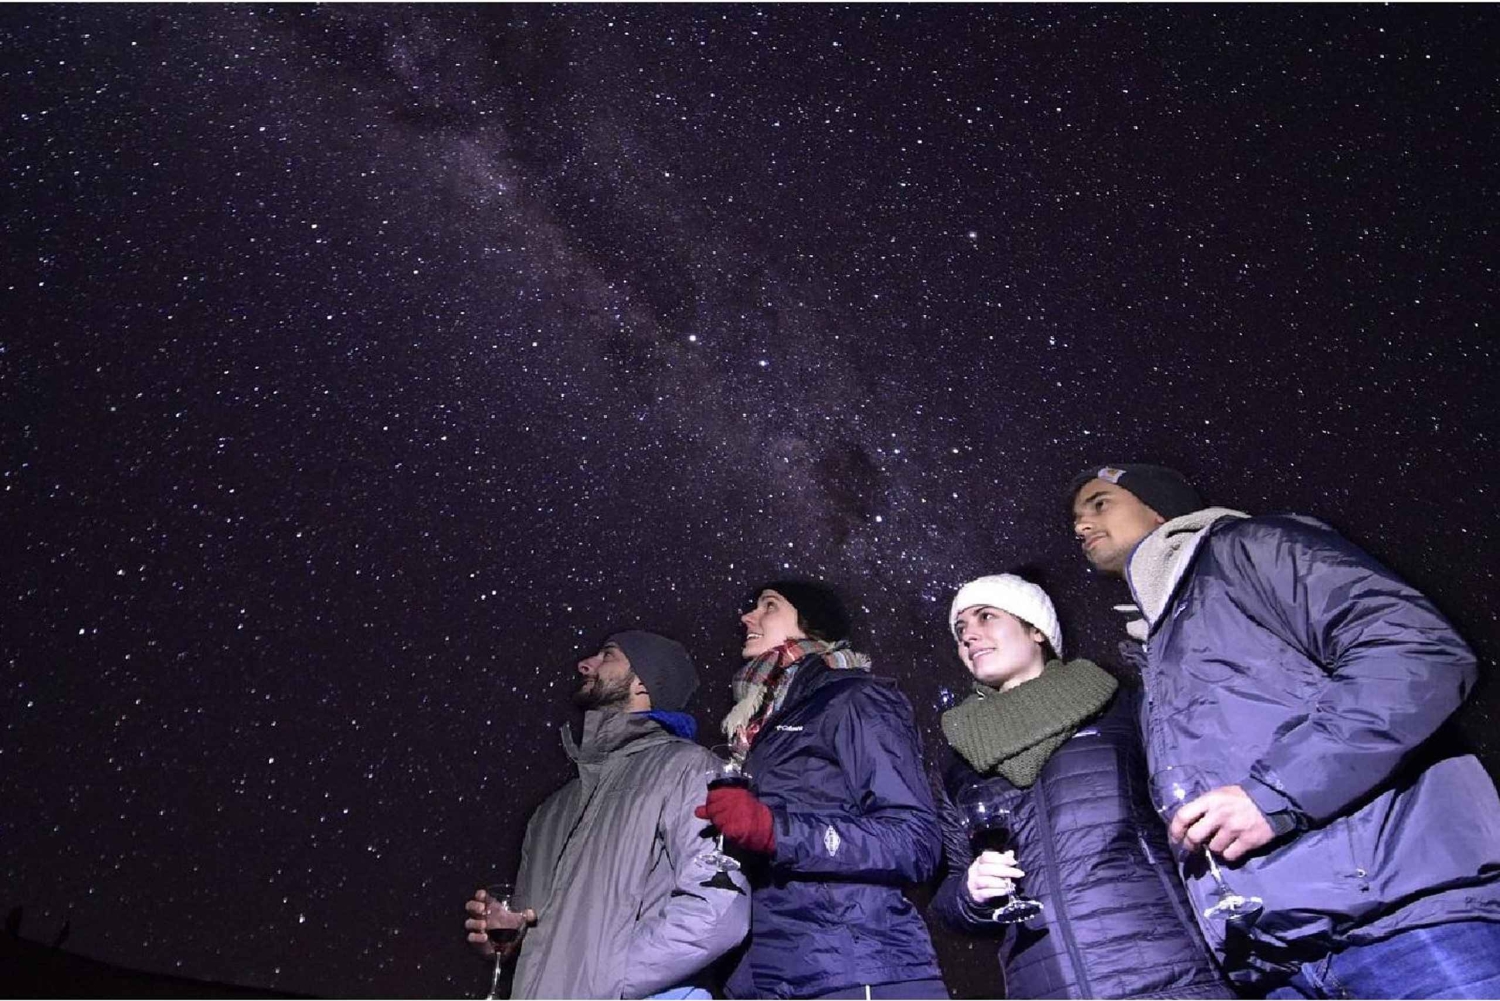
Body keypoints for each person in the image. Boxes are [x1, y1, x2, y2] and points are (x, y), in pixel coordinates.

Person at [1067, 462, 1500, 999]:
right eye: (1077, 517)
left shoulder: (1246, 549)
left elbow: (1417, 652)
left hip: (1408, 930)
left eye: (1100, 503)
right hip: (1284, 966)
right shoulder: (1157, 645)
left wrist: (1274, 792)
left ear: (1158, 507)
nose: (1081, 526)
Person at [930, 573, 1231, 999]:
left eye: (985, 617)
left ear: (1035, 630)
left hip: (1166, 970)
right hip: (1045, 983)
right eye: (960, 630)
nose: (968, 637)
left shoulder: (1118, 707)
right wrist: (969, 893)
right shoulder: (960, 758)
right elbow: (946, 894)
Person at [693, 580, 948, 999]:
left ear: (811, 624)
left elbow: (915, 841)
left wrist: (776, 831)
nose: (747, 617)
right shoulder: (760, 725)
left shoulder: (855, 698)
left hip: (854, 970)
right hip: (769, 980)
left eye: (768, 606)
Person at [463, 630, 750, 999]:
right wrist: (509, 942)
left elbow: (720, 910)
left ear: (645, 682)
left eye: (607, 655)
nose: (585, 664)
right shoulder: (551, 811)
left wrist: (604, 979)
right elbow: (548, 936)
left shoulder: (689, 770)